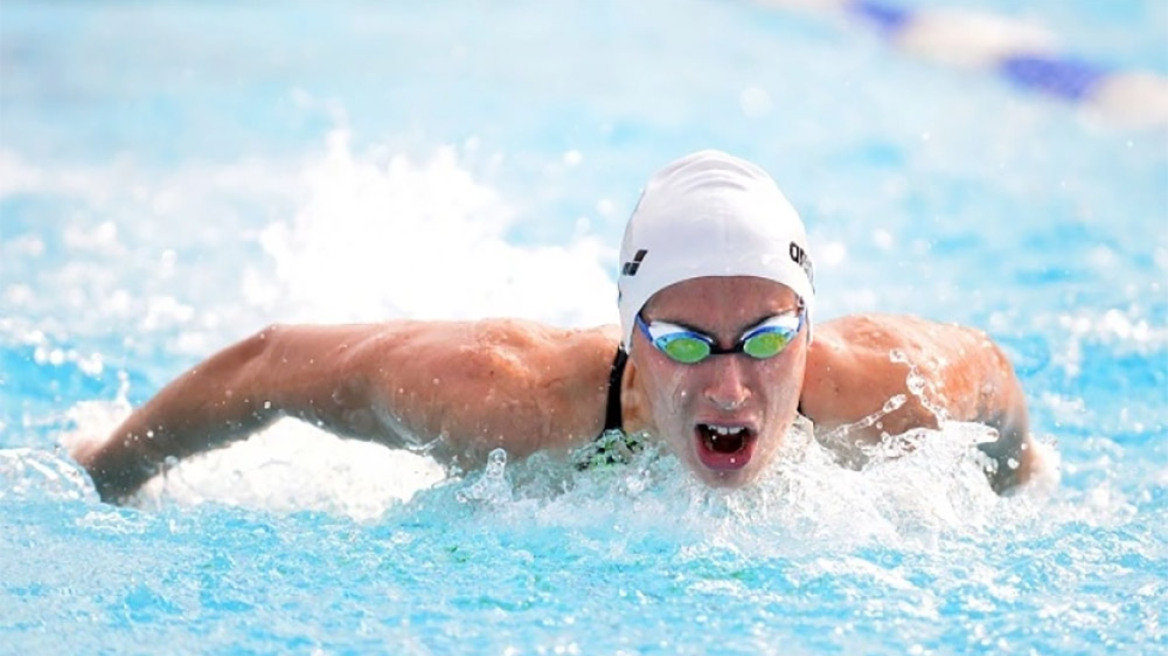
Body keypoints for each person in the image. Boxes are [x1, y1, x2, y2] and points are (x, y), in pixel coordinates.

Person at [69, 150, 1041, 502]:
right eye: (686, 342)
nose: (730, 385)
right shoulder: (505, 398)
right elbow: (274, 362)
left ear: (805, 324)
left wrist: (1014, 475)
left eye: (765, 336)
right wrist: (113, 467)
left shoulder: (887, 384)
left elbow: (993, 379)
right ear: (631, 337)